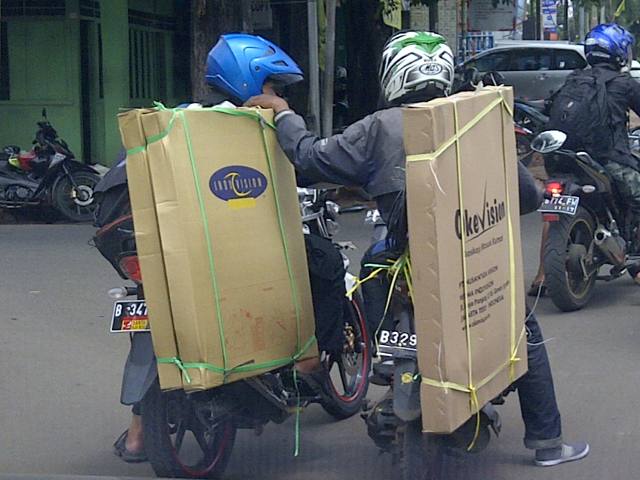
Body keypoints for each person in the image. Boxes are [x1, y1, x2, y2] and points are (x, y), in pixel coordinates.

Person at [246, 30, 589, 467]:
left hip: (397, 257)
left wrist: (284, 114)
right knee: (523, 333)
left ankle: (381, 350)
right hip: (470, 264)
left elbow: (310, 159)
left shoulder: (377, 127)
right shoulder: (476, 121)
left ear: (393, 75)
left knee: (370, 263)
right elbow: (526, 198)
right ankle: (547, 443)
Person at [102, 33, 339, 463]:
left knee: (154, 318)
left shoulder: (175, 119)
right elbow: (295, 168)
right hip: (211, 246)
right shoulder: (246, 127)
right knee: (324, 263)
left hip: (138, 244)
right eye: (272, 86)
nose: (277, 95)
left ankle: (137, 432)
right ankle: (306, 365)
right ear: (250, 80)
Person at [530, 23, 640, 292]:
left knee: (555, 207)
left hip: (562, 158)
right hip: (607, 159)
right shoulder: (624, 83)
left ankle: (541, 277)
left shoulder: (575, 79)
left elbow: (548, 109)